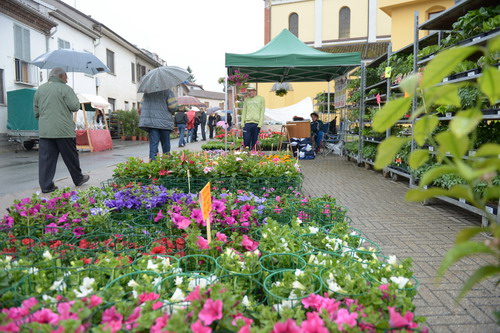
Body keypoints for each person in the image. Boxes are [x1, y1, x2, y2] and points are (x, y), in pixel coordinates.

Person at [34, 67, 90, 193]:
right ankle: (78, 179)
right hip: (64, 130)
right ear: (60, 76)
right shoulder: (65, 88)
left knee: (46, 159)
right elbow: (75, 106)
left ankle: (46, 186)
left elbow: (36, 112)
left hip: (45, 131)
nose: (67, 79)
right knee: (70, 157)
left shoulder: (40, 90)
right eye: (66, 77)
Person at [139, 88, 178, 160]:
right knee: (166, 146)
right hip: (165, 123)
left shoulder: (147, 92)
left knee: (153, 145)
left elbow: (141, 106)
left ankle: (153, 165)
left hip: (152, 123)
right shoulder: (168, 92)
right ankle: (166, 164)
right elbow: (173, 107)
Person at [241, 84, 265, 150]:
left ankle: (253, 155)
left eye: (251, 91)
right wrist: (242, 123)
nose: (250, 92)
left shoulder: (261, 99)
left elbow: (262, 111)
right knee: (246, 141)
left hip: (256, 123)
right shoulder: (246, 100)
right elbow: (244, 111)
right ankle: (246, 154)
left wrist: (260, 123)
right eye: (248, 91)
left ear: (255, 91)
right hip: (247, 123)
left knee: (254, 142)